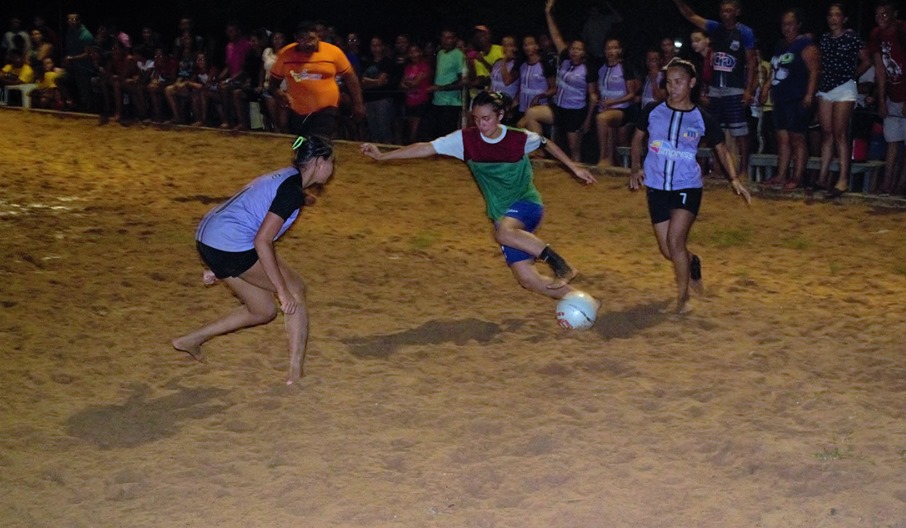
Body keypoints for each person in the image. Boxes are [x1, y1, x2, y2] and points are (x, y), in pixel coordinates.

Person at [360, 90, 597, 301]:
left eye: (486, 118)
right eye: (476, 118)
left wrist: (574, 167)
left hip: (527, 204)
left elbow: (547, 143)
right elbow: (425, 147)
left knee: (503, 233)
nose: (481, 124)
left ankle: (560, 265)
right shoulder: (465, 140)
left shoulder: (517, 138)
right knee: (528, 280)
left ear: (500, 116)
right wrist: (384, 156)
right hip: (501, 213)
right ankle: (582, 301)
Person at [173, 136, 336, 385]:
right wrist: (282, 290)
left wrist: (215, 264)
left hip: (210, 240)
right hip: (230, 246)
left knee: (263, 310)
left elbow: (249, 210)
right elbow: (262, 241)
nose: (332, 168)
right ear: (317, 162)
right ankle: (295, 373)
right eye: (330, 161)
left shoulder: (286, 177)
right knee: (296, 289)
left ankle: (191, 340)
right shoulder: (290, 192)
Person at [628, 58, 751, 315]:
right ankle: (692, 261)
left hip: (687, 186)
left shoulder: (701, 117)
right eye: (669, 83)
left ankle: (682, 298)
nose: (673, 88)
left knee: (675, 241)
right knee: (668, 250)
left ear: (692, 83)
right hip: (657, 186)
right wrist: (635, 167)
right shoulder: (652, 110)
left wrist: (734, 179)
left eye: (679, 82)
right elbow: (637, 139)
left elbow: (722, 149)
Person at [671, 0, 758, 180]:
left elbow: (751, 62)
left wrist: (748, 89)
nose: (725, 14)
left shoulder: (745, 32)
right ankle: (718, 169)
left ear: (737, 12)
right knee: (715, 131)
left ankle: (743, 170)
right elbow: (691, 15)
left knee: (740, 132)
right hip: (715, 89)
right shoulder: (715, 28)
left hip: (734, 87)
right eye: (722, 11)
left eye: (729, 10)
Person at [521, 0, 597, 163]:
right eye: (573, 48)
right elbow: (555, 34)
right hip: (558, 108)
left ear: (584, 52)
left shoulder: (588, 68)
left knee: (574, 151)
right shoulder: (564, 58)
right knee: (531, 114)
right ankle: (539, 149)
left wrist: (588, 119)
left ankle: (579, 179)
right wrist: (548, 13)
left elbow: (592, 96)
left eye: (579, 49)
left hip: (575, 112)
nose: (575, 51)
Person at [269, 20, 364, 139]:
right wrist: (278, 94)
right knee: (303, 145)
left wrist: (358, 104)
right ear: (296, 39)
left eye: (311, 38)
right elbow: (273, 83)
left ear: (318, 37)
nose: (308, 43)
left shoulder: (333, 52)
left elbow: (350, 77)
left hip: (327, 109)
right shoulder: (286, 55)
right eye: (302, 39)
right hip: (298, 111)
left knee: (320, 140)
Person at [869, 0, 906, 196]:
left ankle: (901, 182)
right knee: (891, 138)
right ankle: (887, 183)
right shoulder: (876, 35)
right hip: (893, 92)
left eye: (885, 14)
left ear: (894, 14)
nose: (880, 18)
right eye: (877, 15)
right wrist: (882, 99)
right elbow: (880, 70)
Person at [759, 9, 820, 191]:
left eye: (790, 23)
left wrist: (809, 94)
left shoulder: (805, 44)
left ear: (798, 24)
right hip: (781, 98)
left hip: (797, 97)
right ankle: (781, 175)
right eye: (784, 24)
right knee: (782, 138)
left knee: (797, 138)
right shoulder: (781, 45)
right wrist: (766, 87)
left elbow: (814, 71)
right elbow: (775, 69)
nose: (787, 27)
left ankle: (797, 176)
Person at [815, 3, 871, 197]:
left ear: (844, 18)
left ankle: (843, 179)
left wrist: (852, 75)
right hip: (825, 88)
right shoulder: (824, 39)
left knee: (840, 134)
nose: (833, 19)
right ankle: (822, 177)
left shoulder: (852, 37)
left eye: (837, 15)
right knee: (827, 133)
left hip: (844, 88)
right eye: (830, 15)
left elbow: (867, 59)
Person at [593, 36, 639, 166]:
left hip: (622, 108)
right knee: (611, 140)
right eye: (608, 48)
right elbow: (599, 89)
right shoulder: (601, 68)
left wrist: (612, 102)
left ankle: (603, 157)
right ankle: (611, 162)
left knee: (602, 119)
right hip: (606, 108)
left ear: (619, 50)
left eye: (614, 48)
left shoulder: (625, 67)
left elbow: (631, 94)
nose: (611, 51)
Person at [420, 28, 466, 140]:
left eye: (449, 38)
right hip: (437, 101)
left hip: (451, 103)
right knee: (432, 134)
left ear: (454, 39)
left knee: (446, 135)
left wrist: (439, 88)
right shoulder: (440, 53)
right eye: (444, 37)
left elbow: (462, 82)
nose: (446, 40)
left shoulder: (458, 55)